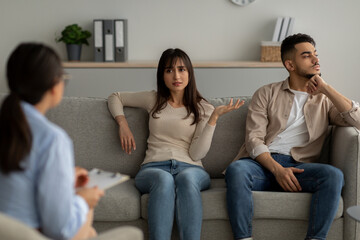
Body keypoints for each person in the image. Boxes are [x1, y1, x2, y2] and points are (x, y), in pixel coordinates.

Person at [225, 33, 360, 240]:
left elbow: (357, 120)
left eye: (316, 54)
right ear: (290, 64)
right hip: (262, 164)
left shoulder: (324, 100)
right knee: (237, 170)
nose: (316, 60)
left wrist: (326, 88)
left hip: (299, 168)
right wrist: (277, 170)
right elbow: (253, 140)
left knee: (334, 176)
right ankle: (244, 238)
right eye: (307, 56)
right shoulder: (266, 93)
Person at [108, 48, 244, 240]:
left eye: (182, 69)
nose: (176, 76)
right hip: (153, 168)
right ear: (162, 75)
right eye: (169, 70)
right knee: (163, 180)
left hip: (192, 168)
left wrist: (213, 118)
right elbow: (116, 97)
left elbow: (197, 154)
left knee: (186, 179)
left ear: (189, 73)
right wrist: (123, 124)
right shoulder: (153, 99)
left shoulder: (204, 108)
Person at [0, 43, 105, 240]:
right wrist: (82, 200)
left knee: (90, 233)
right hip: (26, 235)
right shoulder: (53, 139)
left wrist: (64, 177)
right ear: (54, 85)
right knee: (86, 211)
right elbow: (59, 228)